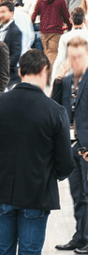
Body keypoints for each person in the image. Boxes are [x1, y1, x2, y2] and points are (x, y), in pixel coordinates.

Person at [0, 49, 72, 255]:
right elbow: (65, 164)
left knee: (2, 251)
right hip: (36, 196)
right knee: (30, 251)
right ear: (44, 71)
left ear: (20, 72)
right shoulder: (55, 112)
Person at [53, 37, 88, 253]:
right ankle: (80, 235)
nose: (74, 61)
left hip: (86, 148)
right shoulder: (65, 81)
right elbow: (54, 107)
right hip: (71, 145)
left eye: (79, 56)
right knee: (77, 194)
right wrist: (57, 78)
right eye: (71, 57)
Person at [33, 0, 73, 65]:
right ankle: (50, 76)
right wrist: (70, 26)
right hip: (56, 31)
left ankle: (46, 74)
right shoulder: (60, 0)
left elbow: (35, 13)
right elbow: (66, 16)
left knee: (47, 52)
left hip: (43, 30)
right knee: (53, 54)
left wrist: (31, 25)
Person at [0, 1, 23, 87]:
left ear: (11, 13)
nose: (0, 15)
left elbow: (15, 56)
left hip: (7, 76)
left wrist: (0, 68)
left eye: (3, 12)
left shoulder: (15, 31)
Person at [53, 8, 88, 81]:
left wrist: (54, 80)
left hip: (69, 77)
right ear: (84, 20)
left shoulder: (64, 37)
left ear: (71, 20)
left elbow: (60, 60)